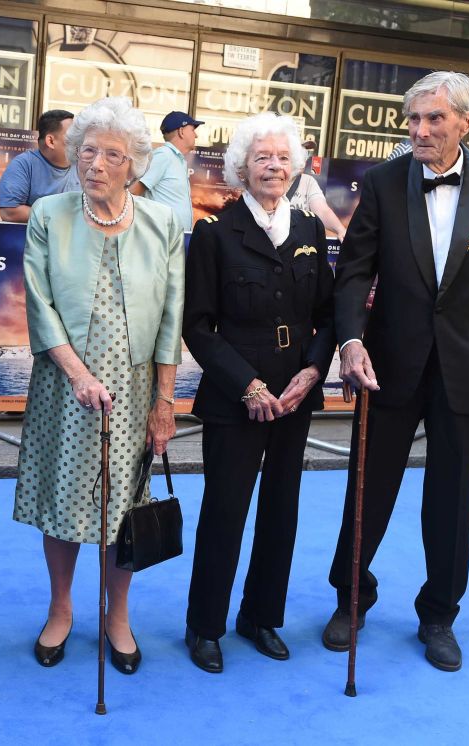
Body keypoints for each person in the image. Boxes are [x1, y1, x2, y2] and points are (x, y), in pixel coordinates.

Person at [324, 71, 469, 672]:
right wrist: (350, 342)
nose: (420, 130)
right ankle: (351, 598)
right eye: (413, 119)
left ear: (465, 122)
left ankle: (439, 613)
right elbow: (354, 272)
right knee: (368, 488)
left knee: (451, 498)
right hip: (388, 364)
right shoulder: (385, 181)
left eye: (434, 119)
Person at [14, 96, 183, 676]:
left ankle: (117, 614)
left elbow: (171, 319)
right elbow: (39, 304)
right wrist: (78, 373)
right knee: (62, 500)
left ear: (134, 163)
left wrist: (165, 402)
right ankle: (60, 609)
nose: (97, 163)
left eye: (113, 153)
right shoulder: (48, 215)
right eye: (87, 150)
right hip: (66, 386)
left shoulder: (163, 223)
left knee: (124, 507)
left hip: (137, 392)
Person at [182, 113, 335, 674]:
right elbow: (197, 326)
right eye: (261, 158)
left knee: (281, 511)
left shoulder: (311, 232)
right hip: (235, 399)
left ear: (296, 167)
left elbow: (326, 316)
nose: (273, 166)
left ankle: (261, 616)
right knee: (225, 511)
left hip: (295, 398)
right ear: (241, 168)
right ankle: (205, 626)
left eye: (281, 158)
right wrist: (246, 384)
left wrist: (313, 372)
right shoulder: (215, 234)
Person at [130, 110, 202, 232]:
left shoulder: (176, 159)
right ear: (182, 131)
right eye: (192, 130)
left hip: (173, 238)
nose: (196, 135)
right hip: (161, 237)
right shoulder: (164, 156)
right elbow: (133, 192)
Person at [0, 109, 74, 222]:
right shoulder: (24, 165)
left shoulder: (87, 166)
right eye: (73, 136)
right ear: (51, 141)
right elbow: (9, 212)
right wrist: (60, 216)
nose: (79, 141)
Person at [287, 139, 347, 241]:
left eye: (305, 152)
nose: (302, 157)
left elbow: (322, 210)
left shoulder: (308, 181)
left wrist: (341, 230)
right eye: (298, 152)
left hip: (297, 243)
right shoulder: (269, 179)